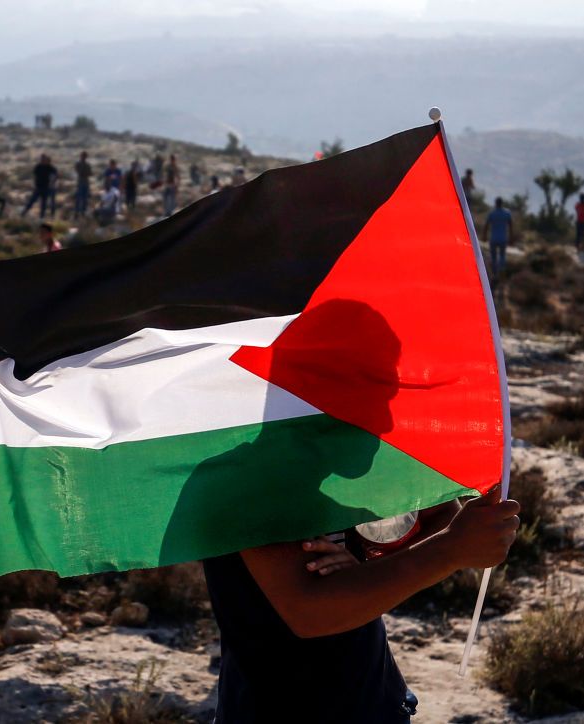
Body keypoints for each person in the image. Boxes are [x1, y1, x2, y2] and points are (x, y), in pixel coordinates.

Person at [185, 300, 521, 723]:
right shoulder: (244, 481)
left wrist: (370, 563)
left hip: (378, 705)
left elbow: (442, 520)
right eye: (377, 396)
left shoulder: (340, 459)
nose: (386, 420)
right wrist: (450, 551)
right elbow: (310, 611)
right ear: (320, 392)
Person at [482, 196, 513, 278]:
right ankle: (501, 271)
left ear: (495, 203)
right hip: (503, 238)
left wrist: (484, 236)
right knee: (502, 255)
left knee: (493, 257)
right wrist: (511, 237)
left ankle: (495, 274)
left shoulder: (492, 213)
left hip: (493, 238)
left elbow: (486, 225)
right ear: (502, 203)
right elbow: (510, 226)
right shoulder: (507, 213)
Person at [21, 154, 58, 218]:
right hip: (38, 187)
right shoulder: (38, 167)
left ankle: (42, 217)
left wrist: (51, 184)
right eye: (42, 159)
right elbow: (35, 175)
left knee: (44, 203)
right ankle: (24, 213)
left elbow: (55, 177)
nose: (42, 161)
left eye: (44, 159)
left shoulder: (51, 168)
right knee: (32, 201)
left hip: (46, 188)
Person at [74, 151, 93, 219]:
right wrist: (85, 172)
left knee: (85, 198)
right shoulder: (78, 163)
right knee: (79, 198)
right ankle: (76, 212)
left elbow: (90, 173)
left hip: (86, 182)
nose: (84, 157)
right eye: (83, 156)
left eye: (85, 156)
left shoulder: (87, 164)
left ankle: (83, 212)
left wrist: (86, 172)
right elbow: (79, 172)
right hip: (80, 182)